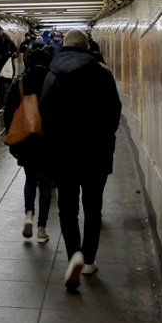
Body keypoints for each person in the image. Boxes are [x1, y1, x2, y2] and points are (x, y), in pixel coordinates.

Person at [39, 29, 122, 291]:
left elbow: (45, 117)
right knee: (93, 207)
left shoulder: (52, 76)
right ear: (87, 48)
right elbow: (113, 115)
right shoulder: (102, 75)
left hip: (63, 154)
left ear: (64, 48)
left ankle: (73, 252)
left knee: (68, 207)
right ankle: (88, 260)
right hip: (96, 153)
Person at [3, 47, 52, 243]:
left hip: (27, 139)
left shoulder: (21, 83)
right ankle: (42, 228)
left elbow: (9, 112)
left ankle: (29, 214)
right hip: (49, 139)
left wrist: (11, 135)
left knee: (30, 179)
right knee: (46, 183)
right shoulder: (53, 80)